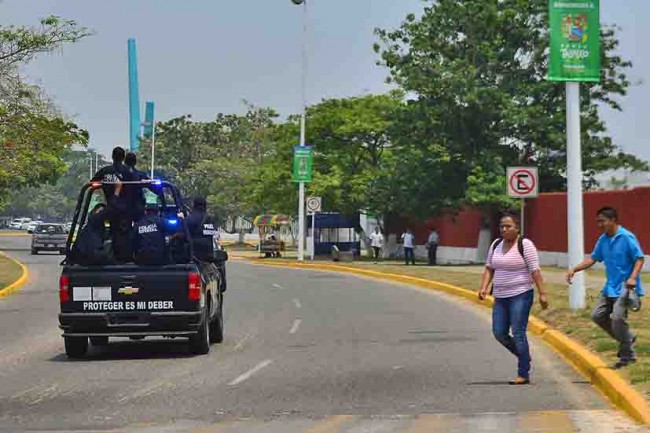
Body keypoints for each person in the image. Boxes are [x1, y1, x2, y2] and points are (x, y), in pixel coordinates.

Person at [567, 206, 644, 369]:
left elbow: (639, 258)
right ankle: (628, 337)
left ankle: (627, 357)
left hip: (625, 288)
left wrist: (632, 278)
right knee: (598, 316)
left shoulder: (626, 237)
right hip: (610, 287)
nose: (599, 224)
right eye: (598, 222)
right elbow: (593, 258)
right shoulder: (603, 239)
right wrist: (575, 269)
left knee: (617, 318)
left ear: (613, 220)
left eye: (602, 221)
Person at [479, 212, 548, 385]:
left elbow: (535, 271)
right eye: (502, 226)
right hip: (500, 296)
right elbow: (489, 268)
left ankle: (523, 373)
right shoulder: (496, 244)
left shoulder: (525, 245)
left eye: (508, 226)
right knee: (499, 332)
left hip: (521, 294)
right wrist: (484, 287)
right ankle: (524, 355)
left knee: (518, 332)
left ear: (517, 228)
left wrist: (543, 293)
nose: (504, 229)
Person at [91, 147, 135, 262]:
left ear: (112, 156)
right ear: (123, 157)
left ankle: (113, 256)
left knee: (113, 231)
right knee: (125, 234)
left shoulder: (105, 171)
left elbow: (92, 182)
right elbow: (136, 188)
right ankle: (125, 258)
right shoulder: (127, 172)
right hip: (125, 210)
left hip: (111, 207)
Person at [186, 197, 226, 291]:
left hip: (190, 258)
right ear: (205, 206)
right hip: (207, 258)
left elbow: (182, 236)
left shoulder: (188, 219)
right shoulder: (210, 220)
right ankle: (221, 284)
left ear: (193, 206)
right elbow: (215, 237)